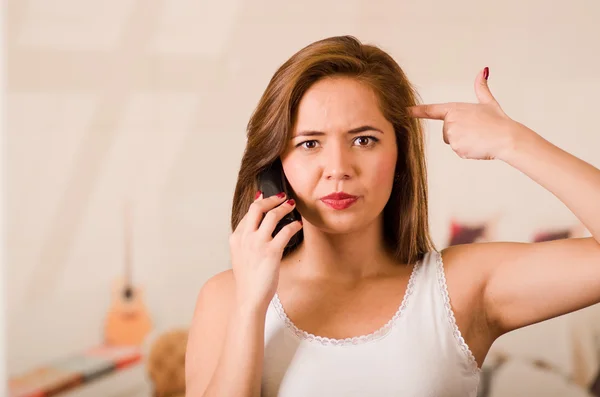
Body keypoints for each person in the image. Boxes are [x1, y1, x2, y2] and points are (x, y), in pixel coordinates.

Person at [184, 35, 600, 397]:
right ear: (275, 167)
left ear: (401, 156)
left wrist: (512, 141)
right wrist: (251, 306)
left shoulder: (460, 289)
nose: (339, 167)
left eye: (363, 140)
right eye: (310, 144)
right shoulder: (227, 298)